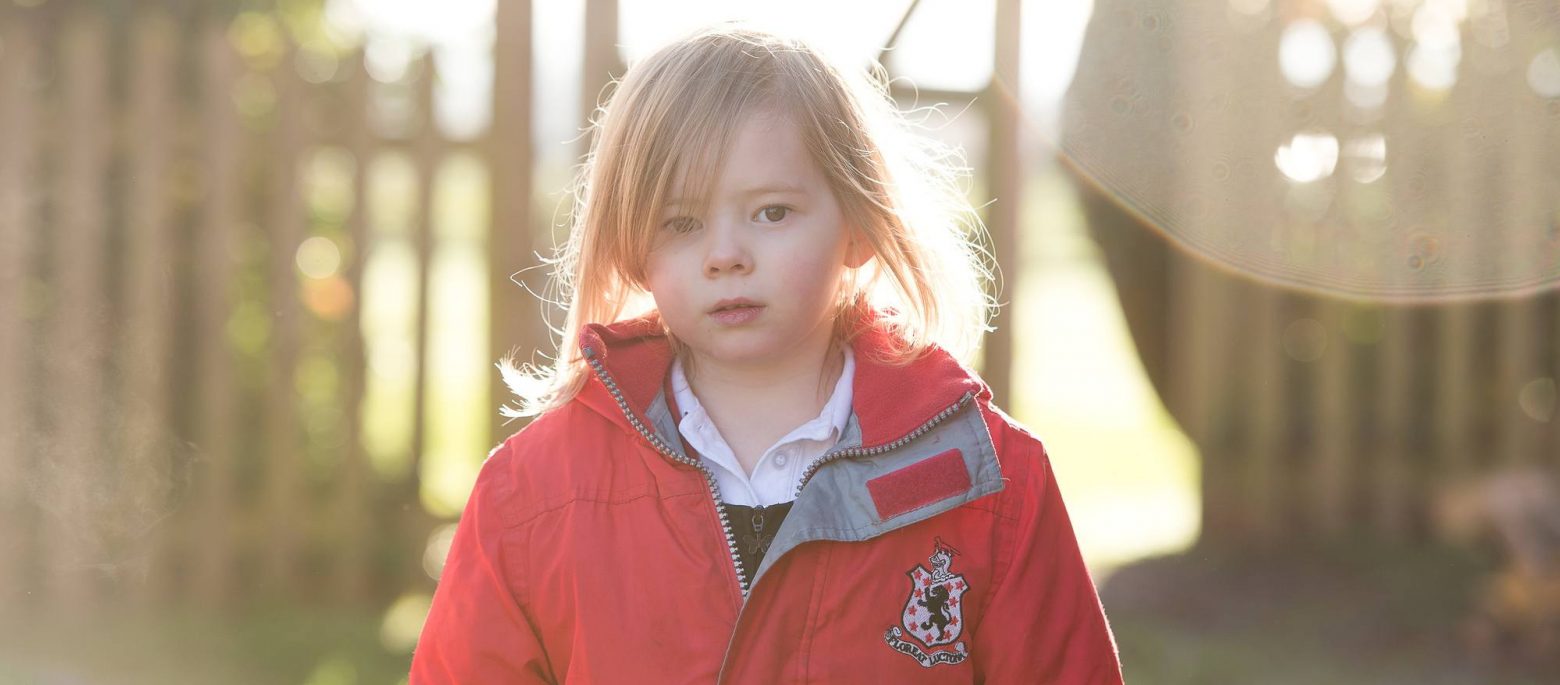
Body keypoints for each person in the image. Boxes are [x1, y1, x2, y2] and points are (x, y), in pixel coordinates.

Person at [409, 23, 1123, 684]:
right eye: (682, 222)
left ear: (859, 224)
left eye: (772, 212)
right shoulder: (533, 492)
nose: (726, 255)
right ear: (632, 247)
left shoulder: (989, 479)